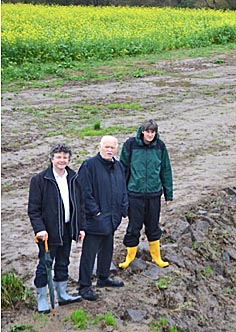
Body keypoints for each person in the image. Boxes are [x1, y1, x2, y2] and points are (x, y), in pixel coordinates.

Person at [28, 144, 85, 313]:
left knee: (63, 262)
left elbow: (80, 206)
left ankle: (62, 294)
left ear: (69, 160)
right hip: (48, 232)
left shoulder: (74, 178)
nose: (62, 160)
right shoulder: (39, 180)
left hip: (68, 229)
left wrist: (80, 227)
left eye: (65, 157)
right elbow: (33, 209)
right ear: (52, 159)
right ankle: (42, 298)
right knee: (45, 265)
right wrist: (39, 229)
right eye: (59, 157)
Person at [77, 136, 128, 301]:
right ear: (99, 147)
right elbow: (84, 191)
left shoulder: (118, 166)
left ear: (116, 149)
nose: (109, 150)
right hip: (95, 219)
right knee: (89, 253)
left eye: (112, 147)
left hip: (112, 218)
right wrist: (95, 212)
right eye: (106, 147)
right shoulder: (89, 165)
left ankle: (103, 277)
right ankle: (84, 286)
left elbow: (123, 188)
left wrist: (123, 209)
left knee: (107, 249)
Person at [118, 119, 173, 269]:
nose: (150, 134)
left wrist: (168, 194)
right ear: (142, 131)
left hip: (154, 194)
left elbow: (166, 170)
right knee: (134, 226)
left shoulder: (160, 146)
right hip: (134, 193)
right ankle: (129, 257)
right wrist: (120, 192)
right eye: (147, 131)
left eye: (153, 132)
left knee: (153, 226)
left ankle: (157, 257)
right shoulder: (130, 145)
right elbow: (122, 168)